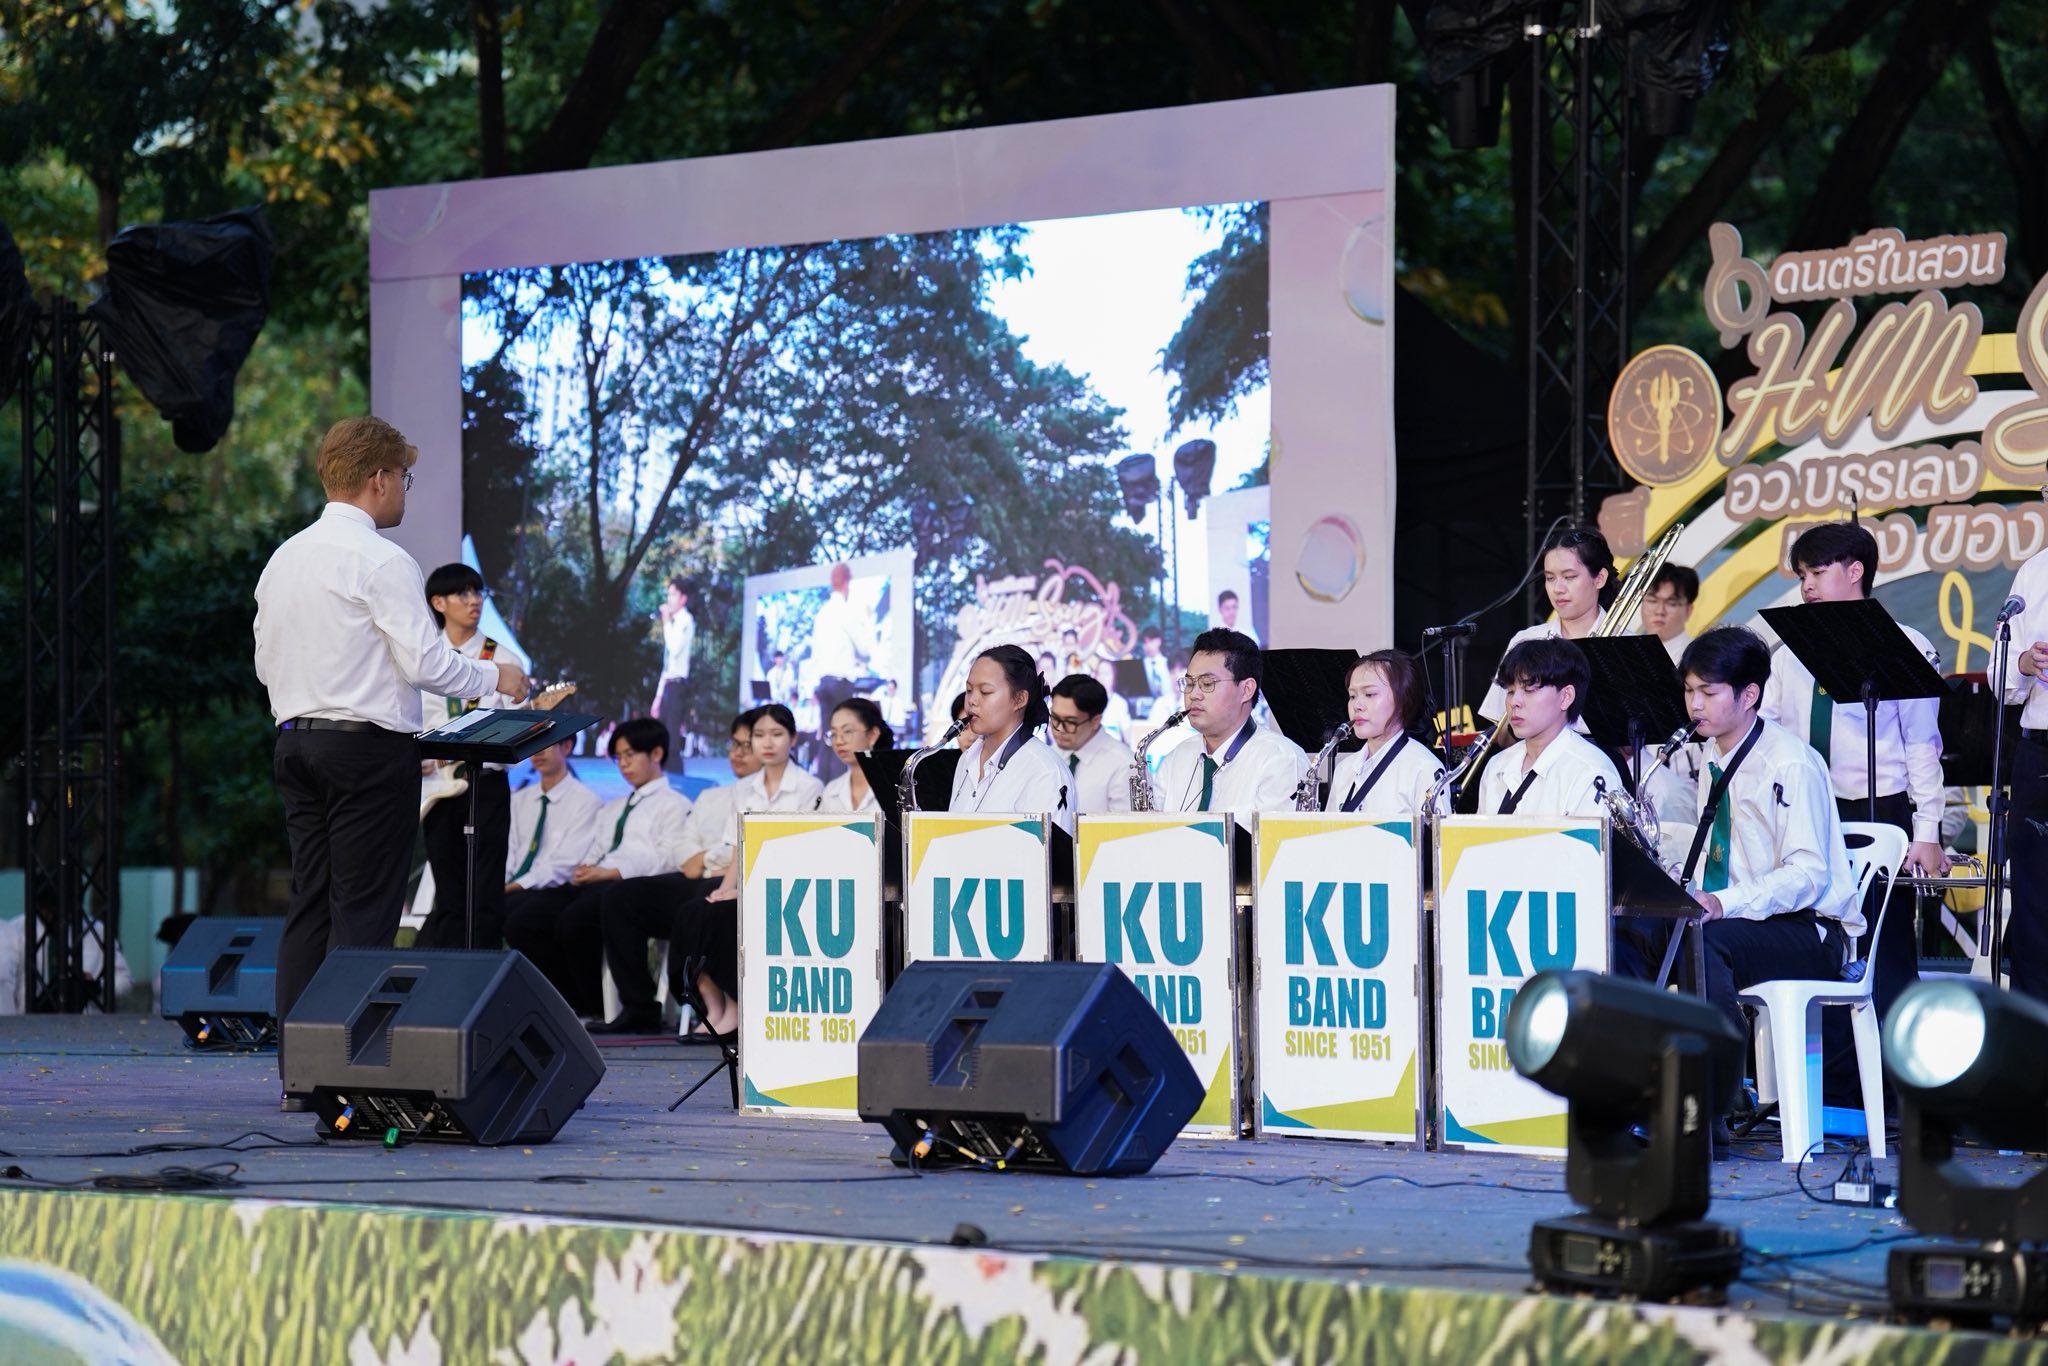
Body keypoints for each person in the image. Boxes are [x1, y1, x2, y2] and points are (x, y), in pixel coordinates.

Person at [254, 416, 529, 1111]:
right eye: (404, 477)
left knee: (310, 904)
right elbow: (427, 662)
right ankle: (349, 1069)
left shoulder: (284, 557)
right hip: (366, 749)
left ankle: (300, 1074)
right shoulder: (381, 559)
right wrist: (498, 676)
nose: (405, 489)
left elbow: (264, 660)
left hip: (296, 741)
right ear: (378, 479)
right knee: (365, 911)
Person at [1613, 627, 1861, 1108]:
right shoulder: (1713, 752)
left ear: (1749, 695)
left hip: (1808, 929)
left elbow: (1809, 875)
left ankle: (1710, 1106)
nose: (1694, 705)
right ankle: (1631, 1091)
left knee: (1703, 943)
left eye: (1708, 693)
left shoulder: (1790, 763)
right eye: (1689, 691)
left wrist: (1721, 903)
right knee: (1630, 933)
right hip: (1742, 920)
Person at [1759, 522, 1946, 1028]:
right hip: (1807, 808)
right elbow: (1768, 732)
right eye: (1802, 576)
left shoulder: (1904, 643)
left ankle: (1893, 1055)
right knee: (1811, 933)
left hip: (1880, 806)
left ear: (1856, 570)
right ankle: (1826, 1058)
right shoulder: (1787, 653)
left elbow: (1922, 746)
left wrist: (1927, 831)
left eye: (1818, 573)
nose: (1808, 586)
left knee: (1885, 942)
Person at [501, 718, 691, 1023]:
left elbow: (665, 857)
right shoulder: (613, 806)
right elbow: (598, 847)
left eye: (630, 755)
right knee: (523, 920)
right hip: (596, 883)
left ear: (656, 754)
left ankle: (603, 1005)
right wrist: (586, 867)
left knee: (575, 920)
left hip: (634, 885)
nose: (623, 765)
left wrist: (613, 872)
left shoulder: (674, 804)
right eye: (618, 757)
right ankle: (566, 999)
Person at [414, 562, 528, 950]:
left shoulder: (504, 659)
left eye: (478, 592)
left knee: (485, 893)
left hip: (487, 786)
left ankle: (482, 974)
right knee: (449, 892)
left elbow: (518, 728)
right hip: (437, 790)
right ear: (438, 603)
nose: (474, 600)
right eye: (462, 593)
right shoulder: (425, 659)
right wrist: (418, 755)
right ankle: (447, 977)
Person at [1152, 629, 1305, 816]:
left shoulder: (1280, 760)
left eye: (1207, 684)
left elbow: (1273, 835)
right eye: (1189, 683)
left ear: (1246, 690)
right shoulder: (1174, 760)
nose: (1193, 695)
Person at [1479, 526, 1616, 728]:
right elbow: (1500, 726)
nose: (1557, 589)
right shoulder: (1526, 640)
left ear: (1600, 578)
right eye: (1550, 578)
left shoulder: (1626, 645)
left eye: (1569, 577)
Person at [1474, 638, 1623, 818]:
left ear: (1566, 697)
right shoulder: (1496, 765)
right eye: (1510, 691)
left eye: (1529, 690)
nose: (1514, 702)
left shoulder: (1592, 772)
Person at [948, 644, 1075, 832]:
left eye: (985, 692)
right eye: (969, 690)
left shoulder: (1045, 772)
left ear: (1020, 699)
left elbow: (1050, 850)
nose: (972, 701)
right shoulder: (966, 760)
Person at [1325, 650, 1446, 817]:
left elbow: (1437, 834)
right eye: (1352, 696)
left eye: (1370, 694)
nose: (1357, 706)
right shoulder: (1344, 770)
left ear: (1403, 700)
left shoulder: (1424, 768)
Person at [503, 738, 603, 894]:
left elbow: (566, 863)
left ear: (567, 747)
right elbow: (509, 851)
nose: (538, 752)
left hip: (553, 889)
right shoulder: (519, 799)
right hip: (510, 886)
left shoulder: (587, 802)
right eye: (533, 745)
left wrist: (517, 886)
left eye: (546, 744)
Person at [1049, 674, 1134, 814]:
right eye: (1055, 718)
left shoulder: (1125, 766)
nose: (1059, 729)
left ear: (1095, 721)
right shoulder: (1049, 756)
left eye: (1070, 722)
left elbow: (1127, 826)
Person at [809, 563, 875, 726]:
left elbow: (815, 655)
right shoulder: (848, 611)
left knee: (828, 733)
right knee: (844, 733)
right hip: (840, 684)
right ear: (846, 584)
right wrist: (869, 621)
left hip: (823, 684)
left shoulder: (821, 613)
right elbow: (865, 651)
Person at [818, 698, 894, 812]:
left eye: (847, 731)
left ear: (873, 735)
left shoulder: (896, 789)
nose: (839, 741)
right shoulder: (831, 791)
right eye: (834, 734)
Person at [654, 575, 695, 772]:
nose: (669, 599)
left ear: (683, 598)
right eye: (668, 594)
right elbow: (667, 664)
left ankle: (677, 779)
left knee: (671, 738)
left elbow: (675, 647)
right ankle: (664, 776)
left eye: (673, 595)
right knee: (661, 736)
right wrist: (658, 696)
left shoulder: (685, 620)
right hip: (668, 684)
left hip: (678, 685)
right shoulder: (672, 623)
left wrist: (666, 621)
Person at [1639, 564, 1699, 664]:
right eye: (1652, 601)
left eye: (1671, 603)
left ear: (1689, 610)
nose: (1660, 611)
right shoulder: (1628, 650)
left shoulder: (1696, 658)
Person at [1091, 658, 1134, 741]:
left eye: (1106, 674)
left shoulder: (1120, 702)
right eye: (1100, 674)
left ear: (1113, 676)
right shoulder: (1088, 700)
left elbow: (1127, 734)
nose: (1103, 678)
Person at [1139, 626, 1173, 698]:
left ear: (1159, 641)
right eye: (1145, 642)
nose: (1148, 646)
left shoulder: (1168, 663)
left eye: (1151, 641)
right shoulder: (1140, 666)